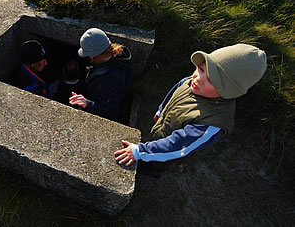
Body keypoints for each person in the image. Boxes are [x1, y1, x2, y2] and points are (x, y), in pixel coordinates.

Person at [114, 44, 267, 172]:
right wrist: (160, 112)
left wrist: (139, 151)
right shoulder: (191, 82)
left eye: (211, 79)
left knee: (152, 165)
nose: (197, 77)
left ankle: (147, 171)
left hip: (170, 153)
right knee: (157, 141)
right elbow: (175, 92)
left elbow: (178, 145)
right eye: (201, 69)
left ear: (228, 90)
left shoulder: (212, 124)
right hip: (163, 131)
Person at [69, 28, 132, 122]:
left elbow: (112, 113)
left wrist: (88, 104)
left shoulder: (110, 80)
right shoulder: (119, 57)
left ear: (94, 55)